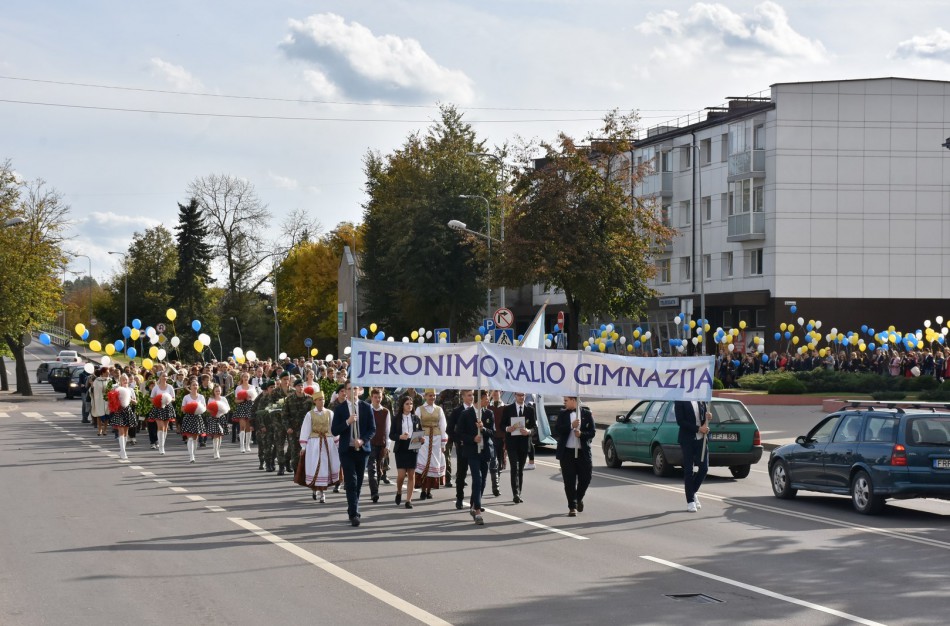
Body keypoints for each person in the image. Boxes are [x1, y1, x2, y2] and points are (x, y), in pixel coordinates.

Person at [331, 382, 376, 527]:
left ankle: (352, 507)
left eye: (355, 388)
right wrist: (347, 422)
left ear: (360, 390)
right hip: (346, 451)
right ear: (345, 391)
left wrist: (362, 440)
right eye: (350, 389)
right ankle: (354, 514)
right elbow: (334, 430)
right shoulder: (340, 409)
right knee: (351, 481)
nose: (352, 391)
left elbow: (372, 429)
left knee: (359, 483)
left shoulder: (366, 407)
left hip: (362, 451)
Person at [455, 390, 494, 525]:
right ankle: (477, 511)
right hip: (472, 452)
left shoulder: (489, 413)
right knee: (476, 479)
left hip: (485, 451)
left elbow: (492, 432)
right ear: (480, 398)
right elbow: (459, 433)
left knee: (483, 481)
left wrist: (483, 429)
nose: (488, 400)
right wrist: (473, 438)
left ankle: (473, 504)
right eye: (486, 398)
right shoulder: (466, 414)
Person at [555, 396, 595, 517]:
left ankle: (578, 498)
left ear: (574, 400)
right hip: (567, 453)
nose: (564, 402)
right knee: (569, 481)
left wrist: (582, 434)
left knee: (586, 478)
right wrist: (571, 426)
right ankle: (572, 507)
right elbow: (557, 430)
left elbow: (592, 432)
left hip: (582, 452)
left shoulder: (586, 413)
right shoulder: (562, 414)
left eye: (566, 400)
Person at [298, 390, 340, 503]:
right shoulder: (310, 414)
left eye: (323, 399)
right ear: (315, 401)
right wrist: (303, 447)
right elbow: (305, 430)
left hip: (327, 443)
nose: (322, 402)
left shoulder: (329, 413)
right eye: (320, 400)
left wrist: (337, 443)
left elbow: (333, 429)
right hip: (314, 444)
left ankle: (322, 492)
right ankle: (314, 488)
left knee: (324, 467)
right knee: (315, 465)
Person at [674, 400, 711, 513]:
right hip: (687, 440)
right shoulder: (680, 400)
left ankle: (692, 492)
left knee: (704, 468)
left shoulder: (701, 399)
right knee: (688, 470)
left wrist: (708, 418)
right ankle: (690, 501)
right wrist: (698, 429)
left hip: (702, 439)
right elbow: (680, 421)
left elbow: (703, 419)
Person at [502, 392, 536, 503]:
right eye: (519, 395)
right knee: (514, 467)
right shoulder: (508, 409)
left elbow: (535, 427)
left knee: (520, 469)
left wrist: (529, 431)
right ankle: (515, 493)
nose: (521, 397)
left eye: (523, 395)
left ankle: (519, 492)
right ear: (515, 396)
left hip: (524, 444)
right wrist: (508, 428)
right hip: (512, 444)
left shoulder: (530, 410)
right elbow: (501, 425)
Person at [414, 388, 447, 501]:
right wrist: (415, 443)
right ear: (425, 396)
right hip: (424, 438)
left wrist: (443, 443)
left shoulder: (439, 409)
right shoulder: (420, 409)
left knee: (433, 463)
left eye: (433, 396)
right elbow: (416, 425)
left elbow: (443, 426)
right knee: (423, 462)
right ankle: (423, 490)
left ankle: (429, 490)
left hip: (436, 439)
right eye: (430, 396)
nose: (432, 398)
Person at [391, 395, 422, 508]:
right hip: (401, 447)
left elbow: (419, 432)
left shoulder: (416, 418)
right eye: (407, 404)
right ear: (402, 405)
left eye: (411, 404)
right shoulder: (396, 418)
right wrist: (399, 436)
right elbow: (391, 435)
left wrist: (421, 439)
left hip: (413, 446)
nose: (409, 406)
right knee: (401, 475)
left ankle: (408, 500)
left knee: (411, 475)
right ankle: (399, 491)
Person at [448, 389, 475, 510]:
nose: (472, 397)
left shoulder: (476, 410)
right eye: (469, 395)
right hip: (463, 447)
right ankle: (459, 498)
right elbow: (449, 429)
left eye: (473, 395)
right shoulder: (457, 411)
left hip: (475, 447)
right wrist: (458, 441)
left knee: (476, 475)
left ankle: (475, 502)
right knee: (461, 473)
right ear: (463, 397)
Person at [283, 377, 313, 476]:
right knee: (294, 450)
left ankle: (303, 471)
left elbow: (314, 413)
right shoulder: (289, 399)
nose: (301, 387)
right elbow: (284, 415)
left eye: (302, 385)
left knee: (306, 450)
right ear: (295, 387)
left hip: (306, 429)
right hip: (293, 429)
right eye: (299, 386)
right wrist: (288, 427)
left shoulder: (309, 399)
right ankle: (297, 472)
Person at [367, 388, 391, 503]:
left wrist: (387, 445)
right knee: (371, 468)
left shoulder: (385, 411)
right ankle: (374, 492)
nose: (377, 399)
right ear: (371, 398)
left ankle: (376, 487)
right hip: (369, 443)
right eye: (375, 397)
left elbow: (387, 429)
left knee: (379, 468)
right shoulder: (367, 410)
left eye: (379, 397)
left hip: (381, 444)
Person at [109, 374, 138, 460]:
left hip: (127, 410)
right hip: (119, 410)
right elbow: (111, 399)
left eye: (126, 380)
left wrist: (130, 399)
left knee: (126, 431)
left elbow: (135, 402)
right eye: (123, 380)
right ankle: (123, 451)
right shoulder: (116, 389)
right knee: (121, 430)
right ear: (120, 381)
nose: (125, 381)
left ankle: (122, 450)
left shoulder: (131, 390)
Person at [180, 378, 208, 463]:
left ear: (198, 387)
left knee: (195, 438)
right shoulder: (186, 397)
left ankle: (193, 454)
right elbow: (182, 409)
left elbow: (204, 408)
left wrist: (198, 409)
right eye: (193, 385)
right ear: (190, 387)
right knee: (190, 438)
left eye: (196, 385)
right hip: (189, 417)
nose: (195, 386)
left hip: (197, 418)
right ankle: (191, 456)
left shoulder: (201, 397)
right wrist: (188, 409)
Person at [148, 371, 177, 455]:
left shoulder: (170, 387)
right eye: (163, 376)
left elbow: (173, 398)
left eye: (166, 376)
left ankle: (162, 444)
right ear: (159, 377)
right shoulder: (156, 388)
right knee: (160, 427)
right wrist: (158, 401)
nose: (165, 377)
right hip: (158, 408)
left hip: (167, 407)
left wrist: (167, 399)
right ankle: (161, 447)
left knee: (165, 427)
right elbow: (151, 398)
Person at [233, 372, 258, 454]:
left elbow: (255, 398)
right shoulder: (238, 388)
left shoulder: (252, 387)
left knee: (248, 427)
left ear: (249, 378)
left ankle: (247, 445)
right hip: (242, 407)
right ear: (242, 378)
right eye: (244, 376)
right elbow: (235, 400)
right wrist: (243, 399)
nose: (245, 378)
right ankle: (242, 446)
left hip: (250, 407)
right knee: (242, 427)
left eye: (247, 376)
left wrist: (250, 398)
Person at [488, 390, 506, 497]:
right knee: (493, 461)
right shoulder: (488, 408)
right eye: (493, 392)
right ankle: (496, 486)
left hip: (502, 438)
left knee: (500, 461)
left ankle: (497, 481)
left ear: (500, 393)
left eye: (497, 391)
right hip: (492, 438)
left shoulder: (505, 408)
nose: (495, 394)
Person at [206, 384, 230, 460]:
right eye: (216, 391)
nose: (218, 392)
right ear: (213, 391)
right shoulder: (211, 399)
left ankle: (217, 450)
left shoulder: (223, 399)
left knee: (220, 435)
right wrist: (214, 412)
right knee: (216, 434)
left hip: (221, 417)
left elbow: (228, 409)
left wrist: (221, 411)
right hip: (213, 418)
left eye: (219, 391)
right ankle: (215, 452)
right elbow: (208, 409)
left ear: (221, 391)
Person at [90, 367, 110, 437]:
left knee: (107, 415)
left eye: (108, 372)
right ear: (102, 373)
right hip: (99, 400)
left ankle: (105, 429)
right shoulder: (97, 380)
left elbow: (113, 388)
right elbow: (93, 390)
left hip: (107, 400)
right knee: (99, 415)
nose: (108, 374)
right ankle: (99, 429)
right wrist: (92, 387)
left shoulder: (110, 380)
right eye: (107, 372)